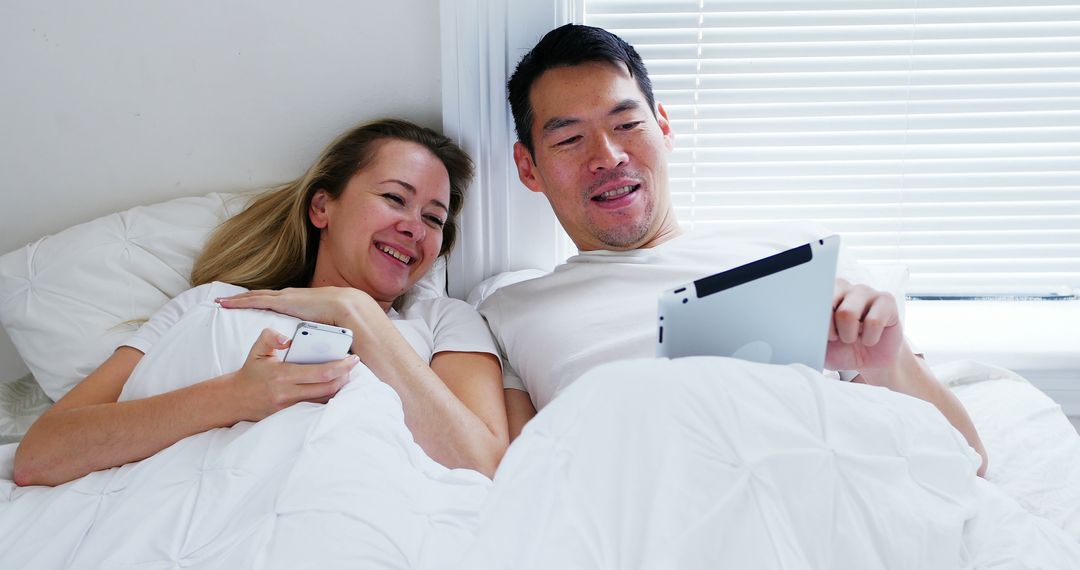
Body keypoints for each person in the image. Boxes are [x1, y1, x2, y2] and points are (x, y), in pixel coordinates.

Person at [480, 24, 988, 475]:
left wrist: (886, 359)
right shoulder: (509, 314)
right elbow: (521, 482)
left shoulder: (799, 255)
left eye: (627, 125)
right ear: (529, 168)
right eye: (569, 140)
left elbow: (967, 461)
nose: (607, 157)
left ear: (664, 127)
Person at [15, 119, 509, 486]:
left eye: (434, 218)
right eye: (395, 198)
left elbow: (484, 466)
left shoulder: (446, 320)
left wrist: (358, 314)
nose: (414, 227)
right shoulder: (213, 303)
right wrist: (237, 397)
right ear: (322, 207)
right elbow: (41, 454)